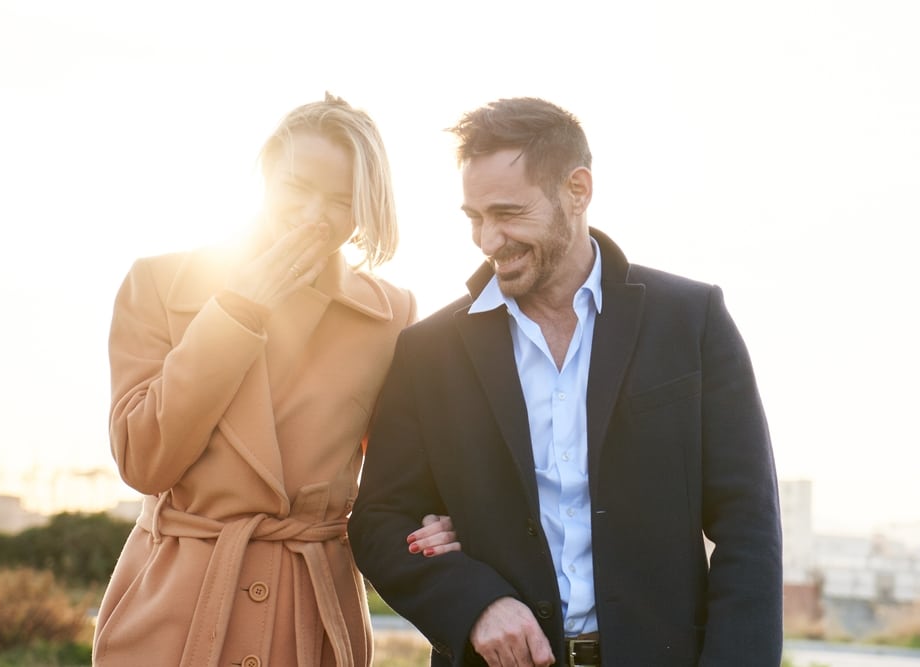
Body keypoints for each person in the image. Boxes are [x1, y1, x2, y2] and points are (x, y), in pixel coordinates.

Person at [348, 97, 783, 666]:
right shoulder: (429, 352)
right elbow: (379, 523)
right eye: (475, 217)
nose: (488, 239)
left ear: (577, 190)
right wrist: (475, 604)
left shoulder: (691, 321)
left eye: (508, 213)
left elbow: (748, 526)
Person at [92, 93, 457, 667]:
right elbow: (144, 460)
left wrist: (440, 521)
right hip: (176, 616)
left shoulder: (391, 315)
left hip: (309, 615)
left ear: (365, 209)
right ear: (263, 177)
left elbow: (402, 480)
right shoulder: (159, 285)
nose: (315, 214)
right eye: (296, 188)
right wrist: (238, 313)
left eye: (341, 200)